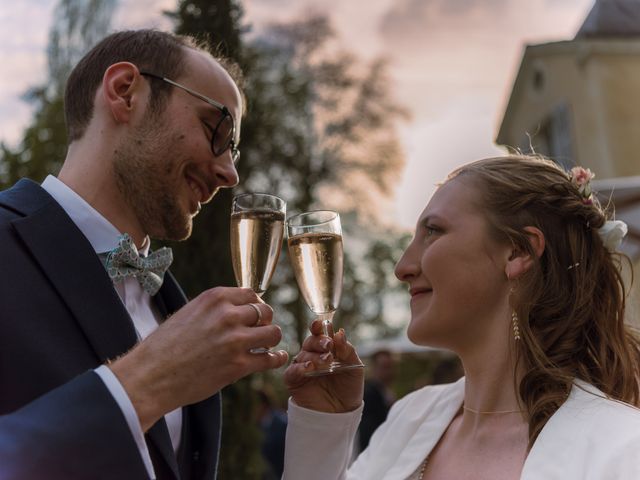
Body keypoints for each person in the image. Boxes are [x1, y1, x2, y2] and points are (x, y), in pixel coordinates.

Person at [0, 29, 288, 479]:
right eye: (217, 130)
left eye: (233, 150)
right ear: (124, 93)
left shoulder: (175, 305)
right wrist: (145, 383)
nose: (230, 172)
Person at [282, 155, 640, 479]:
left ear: (518, 251)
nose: (403, 267)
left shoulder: (622, 448)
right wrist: (322, 424)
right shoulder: (410, 420)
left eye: (433, 231)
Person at [358, 349, 396, 452]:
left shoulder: (384, 390)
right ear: (374, 368)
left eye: (390, 367)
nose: (389, 372)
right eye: (385, 367)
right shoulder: (368, 392)